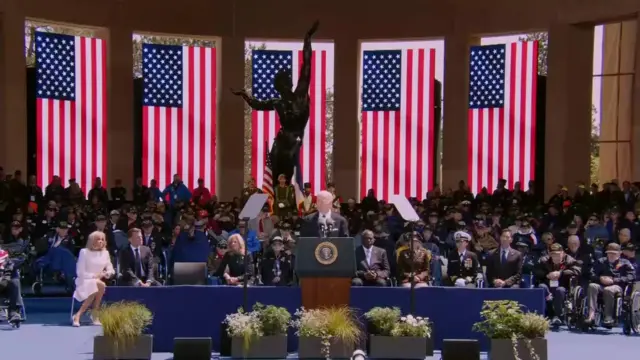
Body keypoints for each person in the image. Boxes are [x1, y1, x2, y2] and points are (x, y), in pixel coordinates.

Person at [585, 243, 636, 327]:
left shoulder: (625, 263)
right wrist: (600, 278)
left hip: (617, 286)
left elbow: (631, 276)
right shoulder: (601, 261)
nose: (611, 255)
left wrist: (614, 280)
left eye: (614, 253)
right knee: (592, 286)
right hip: (601, 284)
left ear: (619, 253)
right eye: (609, 253)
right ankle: (591, 315)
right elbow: (591, 273)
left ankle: (608, 316)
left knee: (608, 290)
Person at [72, 231, 115, 327]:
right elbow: (80, 272)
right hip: (84, 280)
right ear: (92, 241)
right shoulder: (84, 252)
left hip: (97, 282)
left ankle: (79, 315)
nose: (100, 241)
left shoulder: (106, 253)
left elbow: (110, 269)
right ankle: (90, 314)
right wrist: (94, 276)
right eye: (98, 239)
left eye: (102, 239)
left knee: (98, 285)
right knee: (99, 285)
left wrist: (107, 273)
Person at [534, 243, 581, 326]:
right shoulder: (543, 260)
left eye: (558, 255)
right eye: (553, 255)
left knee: (560, 290)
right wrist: (547, 275)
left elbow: (576, 271)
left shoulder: (570, 260)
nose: (556, 257)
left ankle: (557, 315)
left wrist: (561, 273)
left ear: (562, 253)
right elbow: (536, 271)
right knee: (541, 287)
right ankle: (548, 307)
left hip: (563, 286)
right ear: (549, 254)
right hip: (548, 285)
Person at [0, 249, 22, 323]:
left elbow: (9, 270)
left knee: (15, 282)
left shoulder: (5, 257)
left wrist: (4, 279)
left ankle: (13, 312)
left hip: (4, 284)